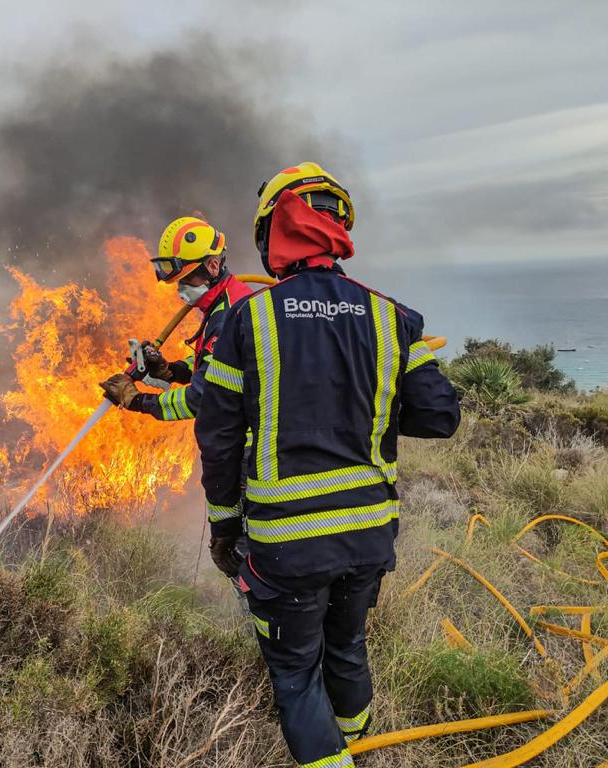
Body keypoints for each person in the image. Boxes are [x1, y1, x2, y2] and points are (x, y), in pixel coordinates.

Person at [194, 162, 461, 766]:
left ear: (274, 232)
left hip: (286, 544)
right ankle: (359, 743)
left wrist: (224, 525)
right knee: (347, 647)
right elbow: (440, 415)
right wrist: (365, 405)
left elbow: (218, 435)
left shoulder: (248, 318)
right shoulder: (393, 317)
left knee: (295, 675)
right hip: (368, 534)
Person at [99, 216, 253, 420]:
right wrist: (170, 371)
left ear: (213, 266)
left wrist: (137, 400)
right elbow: (218, 364)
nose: (181, 290)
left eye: (187, 279)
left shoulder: (228, 316)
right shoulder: (227, 301)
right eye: (179, 282)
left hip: (244, 445)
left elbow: (202, 397)